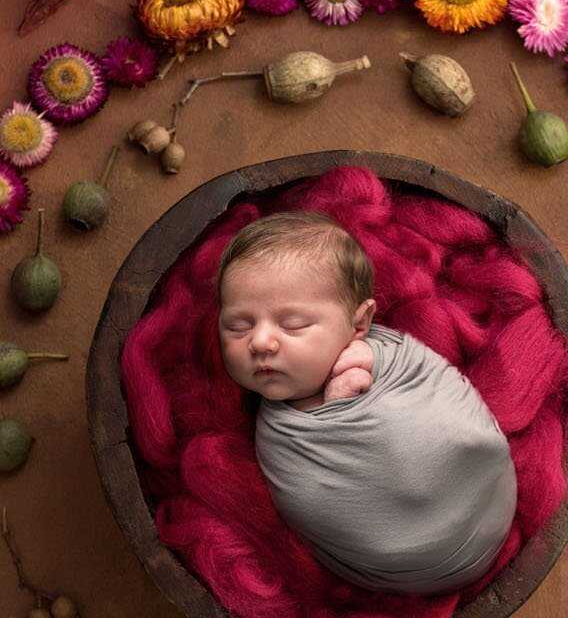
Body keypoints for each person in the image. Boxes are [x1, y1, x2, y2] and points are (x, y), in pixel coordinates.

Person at [215, 209, 518, 597]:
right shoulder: (276, 435)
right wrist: (334, 413)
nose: (259, 342)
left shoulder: (391, 357)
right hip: (396, 567)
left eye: (293, 325)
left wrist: (354, 403)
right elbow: (313, 499)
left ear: (359, 325)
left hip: (482, 499)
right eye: (237, 326)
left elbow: (441, 409)